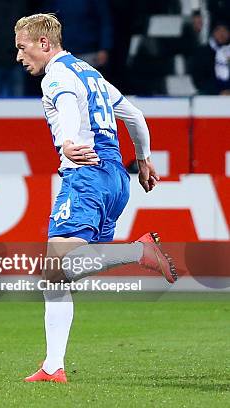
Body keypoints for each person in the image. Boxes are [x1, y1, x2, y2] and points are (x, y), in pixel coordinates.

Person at [14, 14, 177, 383]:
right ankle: (53, 366)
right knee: (61, 273)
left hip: (85, 173)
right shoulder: (91, 73)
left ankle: (139, 252)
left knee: (56, 270)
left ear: (43, 43)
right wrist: (144, 157)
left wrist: (70, 141)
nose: (20, 56)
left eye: (22, 47)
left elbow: (68, 104)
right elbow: (134, 115)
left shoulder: (57, 75)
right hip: (115, 177)